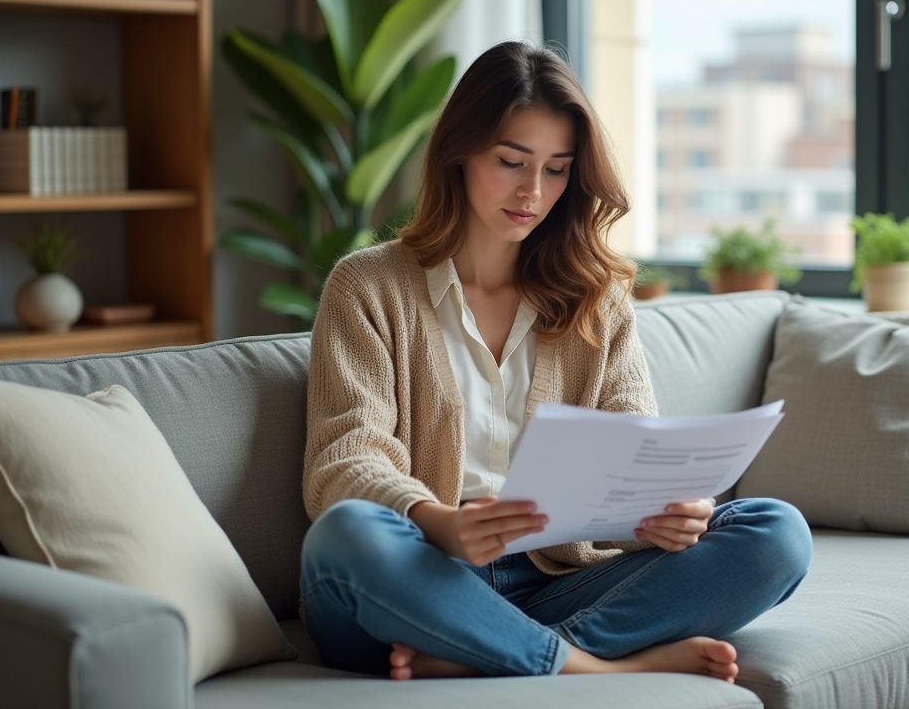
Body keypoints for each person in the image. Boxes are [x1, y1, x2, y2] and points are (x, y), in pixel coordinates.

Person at [299, 40, 812, 683]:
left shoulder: (596, 301)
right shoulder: (367, 286)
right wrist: (442, 525)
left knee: (775, 533)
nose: (532, 192)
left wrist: (667, 514)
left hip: (555, 580)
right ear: (458, 153)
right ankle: (595, 668)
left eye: (557, 169)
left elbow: (633, 457)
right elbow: (345, 459)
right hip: (420, 572)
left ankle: (488, 655)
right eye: (511, 161)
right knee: (346, 537)